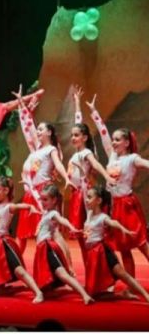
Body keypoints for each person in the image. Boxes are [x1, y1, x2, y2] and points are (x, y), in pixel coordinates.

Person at [86, 95, 149, 281]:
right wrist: (94, 112)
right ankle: (130, 286)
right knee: (124, 248)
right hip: (114, 206)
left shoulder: (132, 159)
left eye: (117, 140)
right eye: (113, 140)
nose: (113, 142)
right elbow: (103, 134)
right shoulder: (113, 156)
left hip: (127, 206)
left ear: (127, 143)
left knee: (142, 244)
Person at [0, 147, 43, 302]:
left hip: (5, 244)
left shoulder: (8, 206)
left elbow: (20, 206)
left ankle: (38, 292)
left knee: (19, 270)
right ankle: (17, 288)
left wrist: (30, 207)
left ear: (6, 190)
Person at [13, 86, 75, 255]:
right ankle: (15, 264)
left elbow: (59, 164)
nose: (38, 132)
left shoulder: (51, 149)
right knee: (22, 233)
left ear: (49, 132)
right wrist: (21, 102)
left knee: (52, 231)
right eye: (38, 129)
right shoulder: (36, 150)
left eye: (41, 129)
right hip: (31, 193)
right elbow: (28, 126)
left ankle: (64, 263)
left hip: (44, 192)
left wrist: (66, 178)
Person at [68, 86, 115, 260]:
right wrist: (77, 104)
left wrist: (107, 176)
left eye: (76, 135)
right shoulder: (77, 153)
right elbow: (78, 124)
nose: (73, 138)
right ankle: (89, 265)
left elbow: (96, 164)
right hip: (76, 195)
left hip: (85, 195)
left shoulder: (86, 153)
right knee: (82, 235)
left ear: (85, 137)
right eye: (72, 135)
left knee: (89, 233)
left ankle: (99, 262)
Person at [83, 186, 149, 302]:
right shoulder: (89, 213)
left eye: (89, 197)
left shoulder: (103, 217)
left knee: (123, 275)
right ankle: (123, 295)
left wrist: (124, 230)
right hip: (92, 254)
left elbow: (114, 223)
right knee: (95, 294)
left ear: (99, 201)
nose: (86, 200)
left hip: (102, 252)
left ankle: (146, 295)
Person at [33, 184, 94, 305]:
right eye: (41, 199)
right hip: (42, 248)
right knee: (54, 276)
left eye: (45, 199)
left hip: (47, 248)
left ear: (54, 200)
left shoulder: (53, 214)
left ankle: (85, 295)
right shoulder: (46, 213)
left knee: (62, 274)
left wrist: (72, 228)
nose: (42, 202)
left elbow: (63, 220)